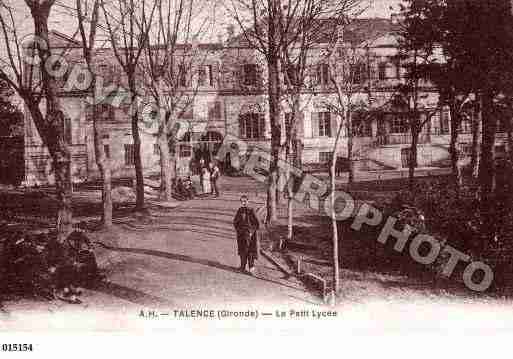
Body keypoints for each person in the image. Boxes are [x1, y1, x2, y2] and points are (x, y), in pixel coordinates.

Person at [233, 195, 260, 274]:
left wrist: (251, 231)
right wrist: (238, 230)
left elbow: (257, 223)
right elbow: (235, 222)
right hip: (241, 234)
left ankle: (251, 267)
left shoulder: (251, 210)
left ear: (248, 201)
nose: (243, 203)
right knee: (242, 250)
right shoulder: (240, 210)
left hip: (250, 235)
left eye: (245, 201)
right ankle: (242, 266)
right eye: (242, 201)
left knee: (250, 251)